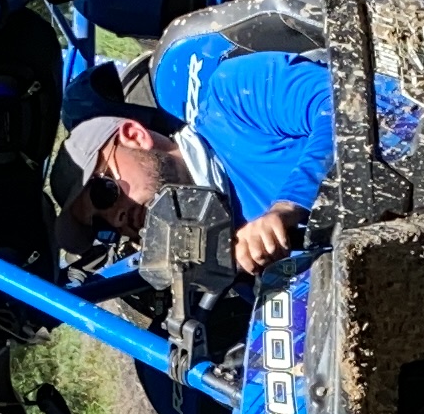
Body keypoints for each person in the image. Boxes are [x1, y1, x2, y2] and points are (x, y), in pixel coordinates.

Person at [52, 44, 333, 274]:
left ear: (134, 137)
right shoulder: (227, 261)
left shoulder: (233, 96)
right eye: (102, 226)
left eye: (104, 193)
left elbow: (349, 101)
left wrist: (287, 207)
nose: (118, 218)